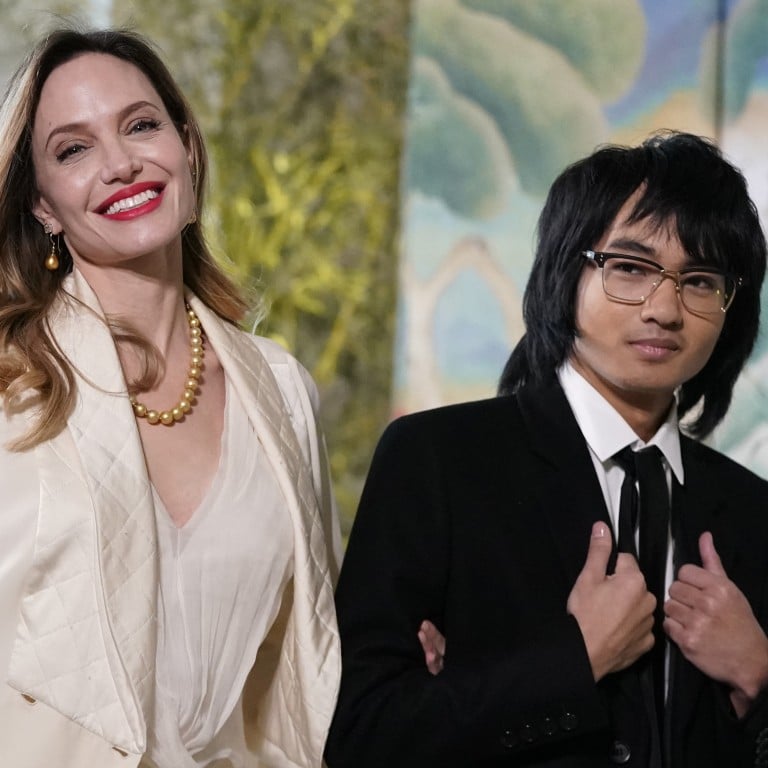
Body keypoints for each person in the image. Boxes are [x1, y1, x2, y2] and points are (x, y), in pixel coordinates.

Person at [325, 131, 768, 767]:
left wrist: (759, 678)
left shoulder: (753, 512)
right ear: (566, 271)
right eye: (630, 268)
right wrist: (574, 658)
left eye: (700, 280)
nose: (665, 309)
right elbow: (361, 736)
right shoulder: (440, 461)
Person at [0, 27, 341, 767]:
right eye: (73, 149)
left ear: (186, 147)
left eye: (141, 125)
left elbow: (303, 665)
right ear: (44, 206)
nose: (121, 163)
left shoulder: (280, 389)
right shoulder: (10, 387)